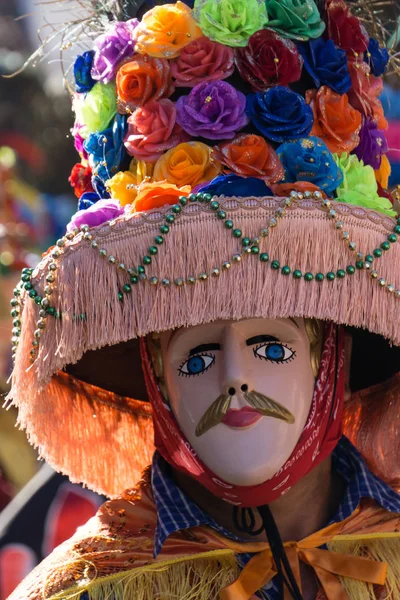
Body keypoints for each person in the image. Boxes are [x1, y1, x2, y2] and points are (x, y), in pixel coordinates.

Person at [6, 0, 400, 598]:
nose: (235, 379)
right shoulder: (87, 590)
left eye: (270, 346)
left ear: (330, 356)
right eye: (196, 357)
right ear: (156, 377)